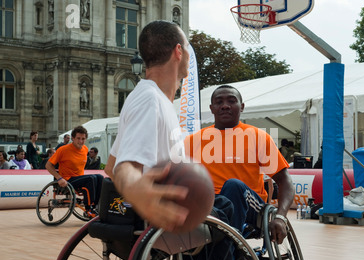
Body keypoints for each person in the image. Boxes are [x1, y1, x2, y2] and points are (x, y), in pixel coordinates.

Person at [105, 20, 191, 232]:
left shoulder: (148, 97)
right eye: (187, 47)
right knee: (232, 202)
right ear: (178, 51)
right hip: (168, 219)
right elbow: (125, 167)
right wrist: (140, 194)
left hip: (164, 212)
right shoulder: (150, 100)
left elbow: (110, 166)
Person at [185, 85, 295, 244]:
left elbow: (285, 181)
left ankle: (226, 253)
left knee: (234, 186)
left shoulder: (257, 137)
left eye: (231, 100)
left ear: (242, 107)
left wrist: (280, 217)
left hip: (249, 206)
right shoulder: (192, 141)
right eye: (219, 102)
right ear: (212, 108)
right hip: (209, 205)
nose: (224, 105)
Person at [46, 126, 103, 218]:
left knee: (100, 177)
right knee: (91, 178)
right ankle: (89, 209)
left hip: (80, 178)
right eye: (78, 138)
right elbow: (48, 166)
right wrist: (59, 178)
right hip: (67, 180)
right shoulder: (63, 150)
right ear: (73, 138)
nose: (81, 141)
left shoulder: (85, 149)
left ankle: (95, 206)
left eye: (83, 139)